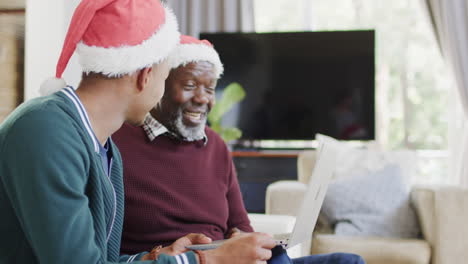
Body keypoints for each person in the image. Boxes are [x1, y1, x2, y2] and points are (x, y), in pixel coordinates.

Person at [0, 1, 277, 264]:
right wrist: (207, 259)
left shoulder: (103, 147)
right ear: (145, 75)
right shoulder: (46, 132)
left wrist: (157, 256)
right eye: (165, 75)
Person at [113, 35, 365, 264]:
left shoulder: (216, 146)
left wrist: (244, 239)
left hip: (233, 260)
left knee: (347, 262)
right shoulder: (117, 142)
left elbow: (240, 225)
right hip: (184, 261)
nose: (203, 98)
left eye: (209, 89)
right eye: (190, 86)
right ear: (159, 84)